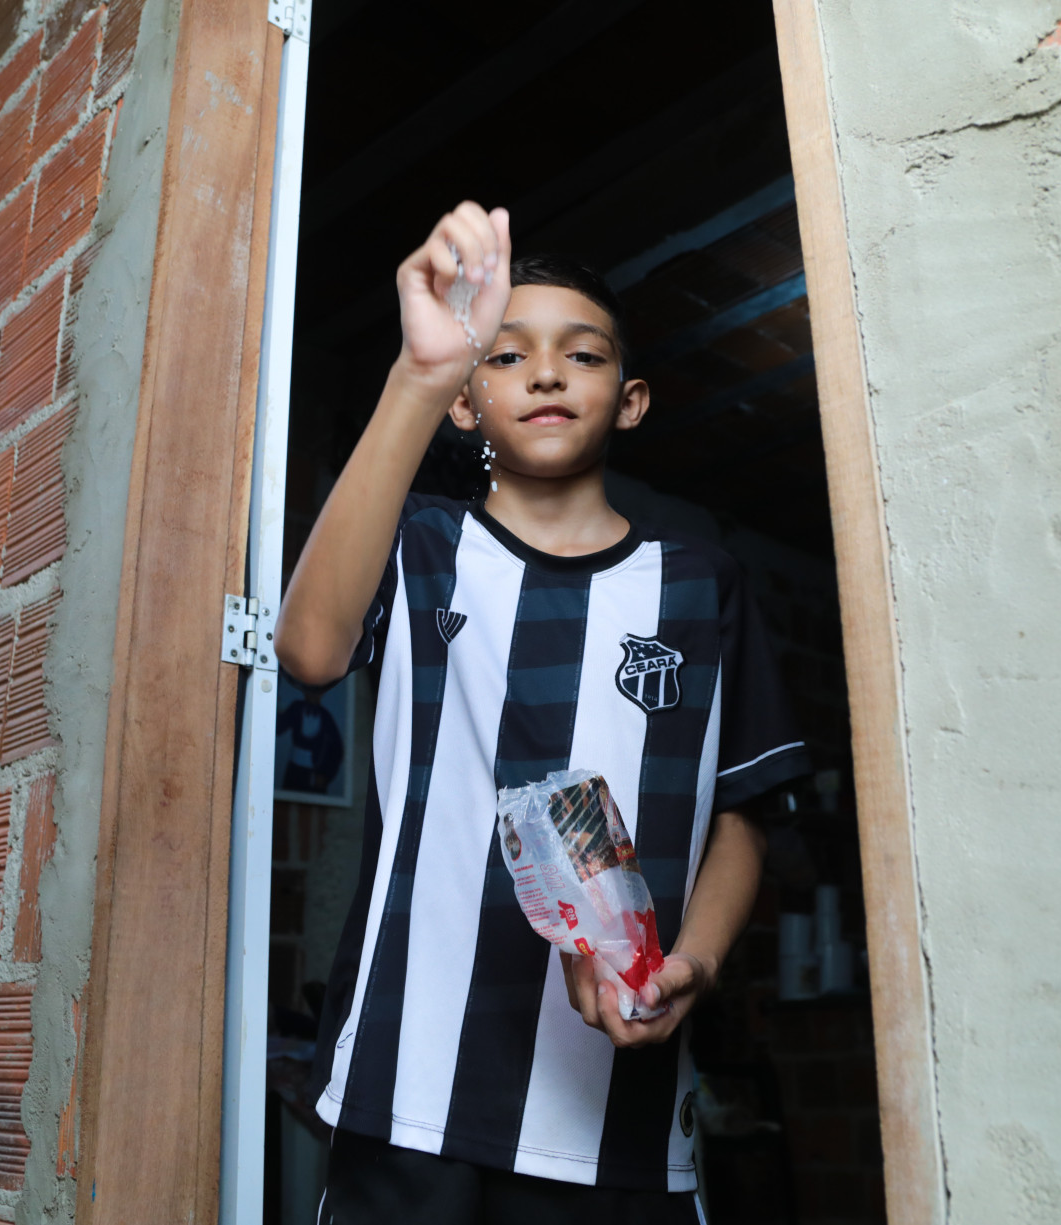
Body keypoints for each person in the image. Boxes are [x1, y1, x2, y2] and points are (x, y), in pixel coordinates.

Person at [274, 202, 812, 1224]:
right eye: (509, 354)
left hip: (618, 1122)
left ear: (632, 400)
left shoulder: (700, 587)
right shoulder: (422, 548)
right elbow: (309, 649)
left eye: (584, 353)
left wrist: (696, 960)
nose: (548, 373)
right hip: (408, 1087)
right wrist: (420, 371)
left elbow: (744, 816)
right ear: (466, 402)